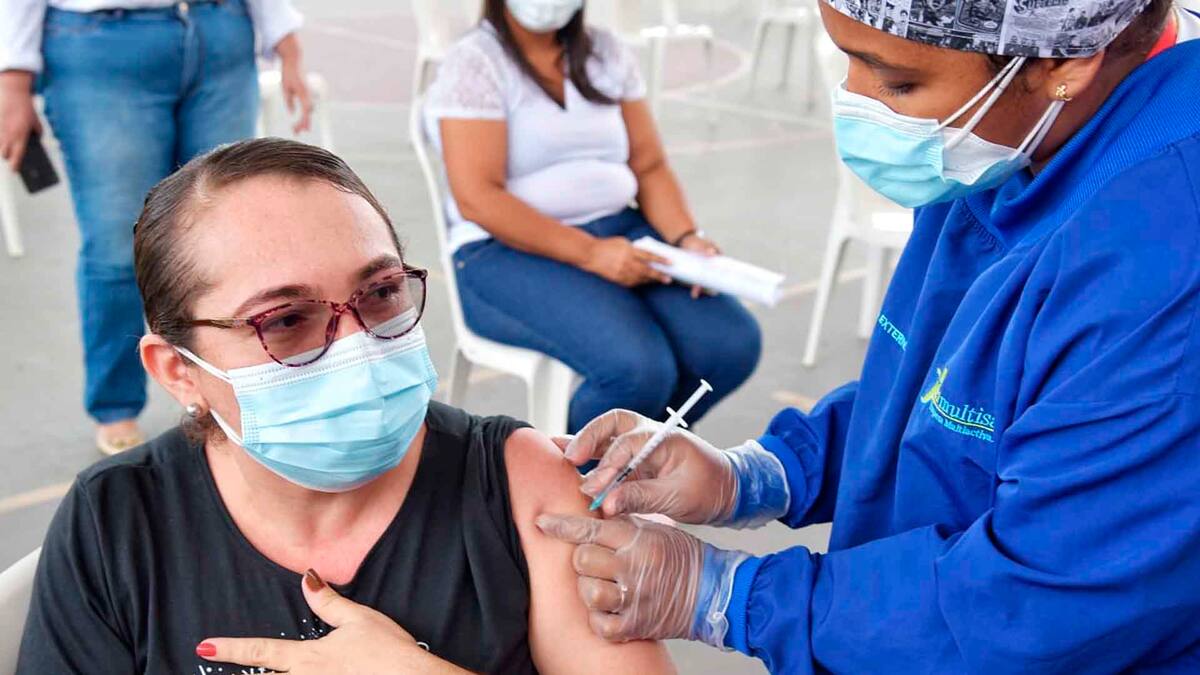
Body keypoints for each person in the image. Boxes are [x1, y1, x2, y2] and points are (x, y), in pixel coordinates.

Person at [528, 0, 1200, 672]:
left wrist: (730, 595)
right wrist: (762, 474)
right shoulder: (1008, 139)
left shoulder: (1162, 265)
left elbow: (1038, 607)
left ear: (1063, 63)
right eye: (846, 59)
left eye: (898, 82)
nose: (855, 101)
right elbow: (938, 386)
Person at [16, 139, 674, 674]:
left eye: (381, 292)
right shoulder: (118, 523)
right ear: (179, 370)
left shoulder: (523, 485)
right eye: (284, 320)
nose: (358, 347)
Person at [424, 0, 762, 433]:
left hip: (620, 230)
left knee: (730, 345)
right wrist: (591, 253)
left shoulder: (607, 52)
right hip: (503, 250)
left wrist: (686, 238)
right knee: (637, 370)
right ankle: (574, 472)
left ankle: (639, 458)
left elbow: (649, 166)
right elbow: (479, 198)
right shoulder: (475, 63)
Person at [0, 0, 311, 455]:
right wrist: (13, 75)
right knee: (117, 248)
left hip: (221, 31)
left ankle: (232, 389)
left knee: (227, 234)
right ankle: (116, 404)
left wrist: (285, 38)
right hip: (102, 45)